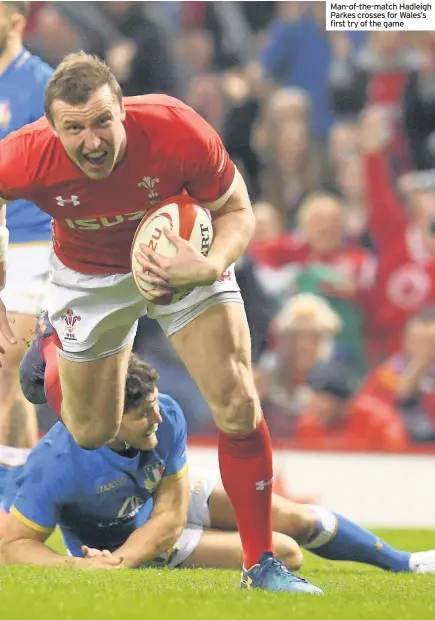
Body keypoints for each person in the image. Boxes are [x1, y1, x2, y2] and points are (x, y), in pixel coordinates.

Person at [0, 52, 302, 592]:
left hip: (181, 257)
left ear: (123, 111)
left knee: (237, 398)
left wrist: (209, 264)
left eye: (101, 122)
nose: (92, 141)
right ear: (52, 128)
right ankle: (52, 345)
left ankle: (261, 565)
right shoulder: (25, 154)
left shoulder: (175, 127)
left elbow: (237, 210)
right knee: (92, 432)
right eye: (74, 129)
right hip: (88, 275)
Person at [2, 354, 434, 579]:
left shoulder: (165, 413)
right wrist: (82, 566)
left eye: (154, 407)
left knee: (295, 519)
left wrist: (120, 564)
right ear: (110, 419)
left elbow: (171, 511)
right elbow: (15, 545)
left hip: (153, 513)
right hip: (122, 535)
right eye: (142, 415)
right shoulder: (55, 462)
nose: (156, 419)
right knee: (286, 552)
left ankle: (405, 563)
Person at [0, 1, 53, 499]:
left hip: (31, 243)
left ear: (16, 19)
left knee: (8, 371)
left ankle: (10, 496)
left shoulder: (42, 84)